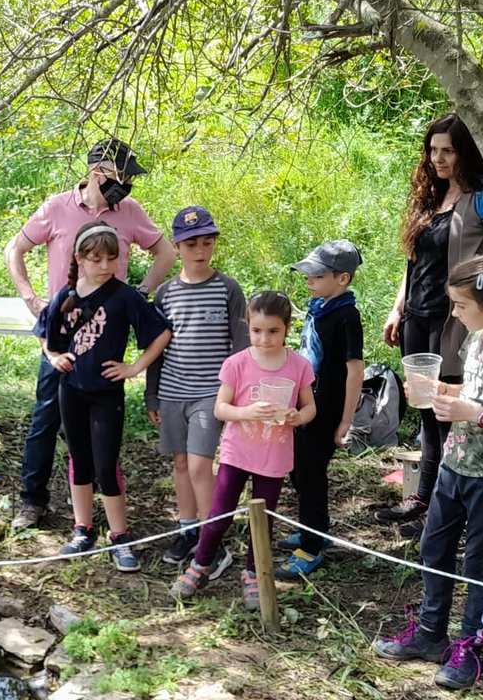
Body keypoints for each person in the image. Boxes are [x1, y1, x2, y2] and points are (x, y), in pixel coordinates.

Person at [373, 255, 483, 689]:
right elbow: (473, 393)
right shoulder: (476, 339)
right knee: (434, 547)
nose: (453, 312)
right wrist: (439, 391)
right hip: (455, 462)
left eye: (459, 305)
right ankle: (431, 632)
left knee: (480, 562)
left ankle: (470, 647)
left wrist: (476, 412)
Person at [5, 138, 177, 530]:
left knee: (100, 422)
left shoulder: (130, 211)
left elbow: (165, 252)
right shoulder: (57, 207)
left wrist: (143, 291)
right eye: (123, 175)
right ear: (98, 171)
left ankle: (100, 498)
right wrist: (31, 297)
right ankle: (32, 501)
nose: (128, 183)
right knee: (46, 415)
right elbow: (14, 250)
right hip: (63, 332)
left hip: (106, 337)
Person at [377, 113, 483, 539]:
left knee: (446, 415)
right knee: (424, 412)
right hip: (417, 319)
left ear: (466, 153)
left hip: (454, 322)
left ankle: (440, 512)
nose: (438, 159)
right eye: (433, 150)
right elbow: (414, 262)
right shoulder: (429, 198)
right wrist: (396, 309)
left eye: (448, 151)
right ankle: (422, 498)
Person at [39, 223, 172, 571]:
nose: (104, 266)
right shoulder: (64, 296)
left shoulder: (124, 295)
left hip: (106, 395)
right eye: (96, 259)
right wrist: (54, 357)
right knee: (78, 460)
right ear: (80, 258)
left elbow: (161, 333)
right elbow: (45, 334)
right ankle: (83, 529)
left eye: (111, 259)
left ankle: (120, 536)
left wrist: (135, 367)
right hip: (71, 390)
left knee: (106, 464)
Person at [171, 291, 315, 606]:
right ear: (247, 326)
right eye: (257, 330)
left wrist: (296, 417)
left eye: (273, 331)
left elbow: (310, 409)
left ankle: (253, 573)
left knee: (263, 519)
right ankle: (201, 564)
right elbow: (221, 409)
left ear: (287, 328)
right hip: (237, 452)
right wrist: (245, 412)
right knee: (219, 513)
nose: (264, 338)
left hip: (273, 456)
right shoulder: (236, 363)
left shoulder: (299, 366)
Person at [145, 206, 248, 567]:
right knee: (181, 463)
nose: (200, 251)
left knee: (201, 465)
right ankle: (188, 529)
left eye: (207, 242)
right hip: (173, 391)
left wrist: (236, 391)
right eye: (191, 245)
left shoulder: (228, 288)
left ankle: (212, 539)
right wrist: (152, 393)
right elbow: (156, 350)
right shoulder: (166, 294)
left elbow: (241, 345)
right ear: (176, 248)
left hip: (211, 393)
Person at [275, 240, 364, 579]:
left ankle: (311, 548)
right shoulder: (318, 307)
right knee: (298, 471)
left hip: (326, 410)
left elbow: (354, 369)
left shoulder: (346, 316)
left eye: (317, 275)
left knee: (311, 475)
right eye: (307, 275)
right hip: (304, 403)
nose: (309, 281)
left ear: (342, 278)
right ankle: (315, 528)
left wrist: (345, 419)